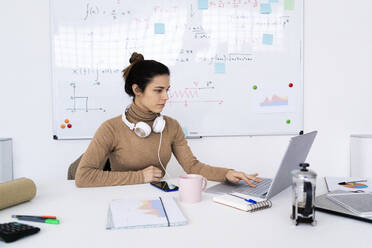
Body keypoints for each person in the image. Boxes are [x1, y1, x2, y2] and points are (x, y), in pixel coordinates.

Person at [74, 52, 261, 187]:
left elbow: (192, 166)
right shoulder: (111, 128)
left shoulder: (170, 126)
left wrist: (226, 173)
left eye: (167, 90)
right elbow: (84, 176)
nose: (166, 97)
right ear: (137, 90)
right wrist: (139, 177)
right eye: (158, 90)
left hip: (158, 198)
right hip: (121, 200)